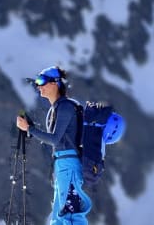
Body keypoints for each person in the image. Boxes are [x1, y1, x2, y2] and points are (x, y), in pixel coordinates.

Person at [16, 66, 92, 225]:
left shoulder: (65, 107)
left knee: (70, 215)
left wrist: (29, 129)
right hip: (63, 164)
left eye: (42, 81)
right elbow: (57, 139)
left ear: (55, 83)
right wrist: (30, 130)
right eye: (37, 82)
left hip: (68, 164)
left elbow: (55, 139)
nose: (39, 86)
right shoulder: (56, 108)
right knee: (60, 215)